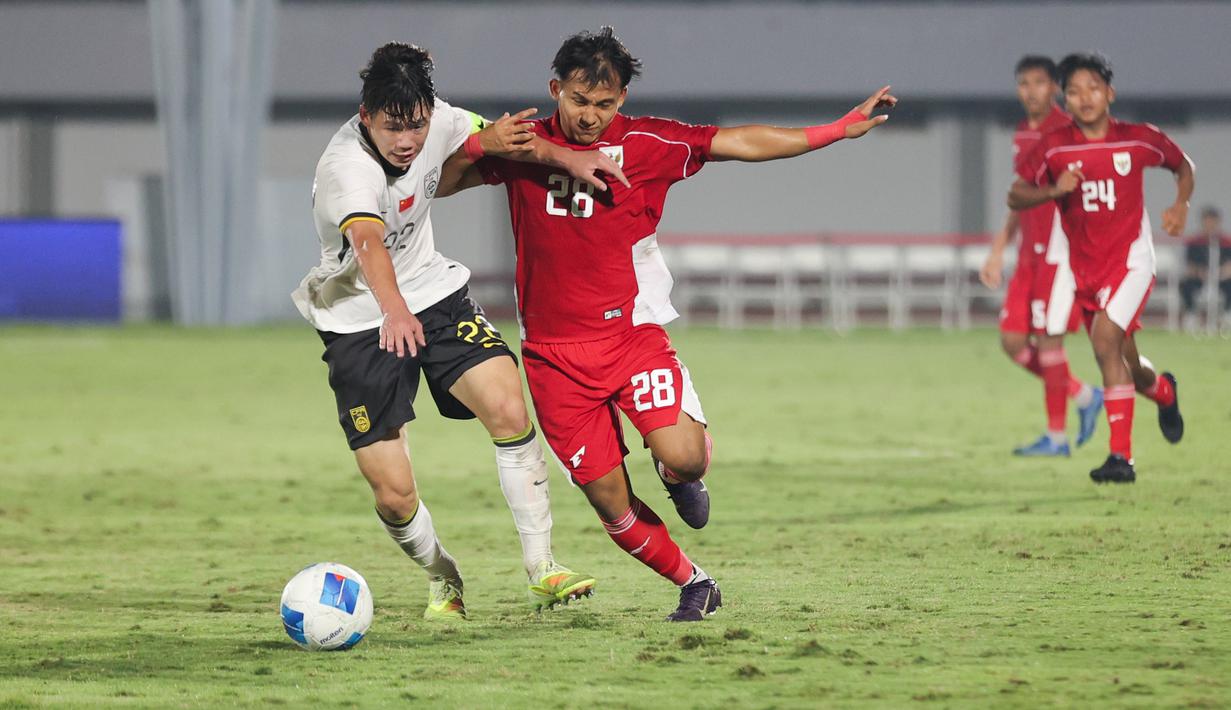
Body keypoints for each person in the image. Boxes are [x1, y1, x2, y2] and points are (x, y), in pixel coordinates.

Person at [438, 27, 894, 620]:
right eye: (578, 100)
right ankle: (696, 583)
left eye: (604, 104)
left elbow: (739, 142)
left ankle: (675, 468)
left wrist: (834, 131)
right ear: (555, 89)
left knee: (685, 457)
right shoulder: (520, 144)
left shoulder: (651, 142)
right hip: (552, 357)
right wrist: (479, 147)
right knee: (610, 503)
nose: (589, 117)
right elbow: (438, 183)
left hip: (629, 338)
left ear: (622, 99)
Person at [291, 42, 623, 618]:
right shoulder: (345, 168)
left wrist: (566, 160)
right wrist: (393, 310)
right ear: (366, 116)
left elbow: (504, 137)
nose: (408, 141)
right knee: (393, 494)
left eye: (417, 126)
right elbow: (368, 242)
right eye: (394, 128)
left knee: (508, 406)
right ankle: (443, 574)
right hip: (357, 320)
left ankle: (542, 569)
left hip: (435, 296)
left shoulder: (437, 117)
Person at [1009, 52, 1191, 484]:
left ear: (1109, 93)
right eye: (1074, 90)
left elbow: (1183, 166)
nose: (1084, 97)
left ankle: (1121, 459)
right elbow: (1016, 195)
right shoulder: (1054, 147)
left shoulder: (1137, 139)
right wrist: (1055, 189)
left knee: (1105, 343)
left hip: (1131, 263)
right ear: (1065, 100)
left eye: (1093, 88)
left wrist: (1181, 204)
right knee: (1126, 361)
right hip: (1086, 272)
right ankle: (1164, 392)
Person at [981, 55, 1102, 457]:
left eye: (1038, 83)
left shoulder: (1066, 131)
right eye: (1023, 83)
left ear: (1054, 88)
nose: (1030, 91)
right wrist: (998, 250)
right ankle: (1084, 395)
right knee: (1013, 341)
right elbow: (1019, 194)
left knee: (1049, 346)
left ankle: (1056, 438)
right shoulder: (1023, 132)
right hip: (1027, 254)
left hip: (1056, 254)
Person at [1178, 206, 1231, 331]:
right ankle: (1191, 315)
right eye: (1207, 221)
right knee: (1186, 285)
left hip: (1222, 277)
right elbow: (1189, 265)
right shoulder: (1194, 242)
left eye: (1213, 221)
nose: (1210, 225)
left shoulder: (1226, 242)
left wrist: (1223, 272)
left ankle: (1227, 315)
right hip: (1199, 277)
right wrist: (1201, 272)